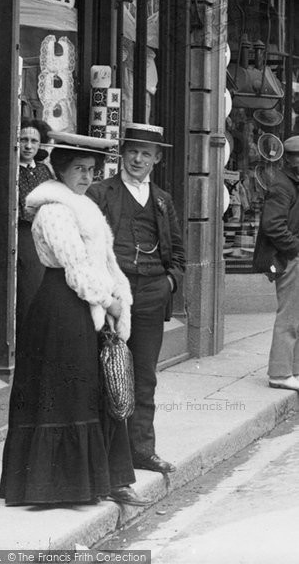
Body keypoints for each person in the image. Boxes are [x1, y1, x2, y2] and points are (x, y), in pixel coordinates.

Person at [0, 132, 149, 506]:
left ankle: (101, 480)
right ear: (60, 171)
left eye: (92, 170)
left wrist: (118, 297)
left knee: (94, 392)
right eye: (78, 169)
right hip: (61, 308)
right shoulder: (53, 210)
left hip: (85, 305)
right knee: (64, 394)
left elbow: (105, 261)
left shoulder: (84, 207)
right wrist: (108, 302)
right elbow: (76, 266)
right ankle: (54, 486)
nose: (86, 177)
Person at [87, 123, 185, 473]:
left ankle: (142, 450)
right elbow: (88, 245)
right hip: (113, 294)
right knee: (109, 372)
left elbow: (179, 251)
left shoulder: (161, 200)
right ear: (122, 154)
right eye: (132, 151)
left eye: (146, 153)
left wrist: (169, 283)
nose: (138, 158)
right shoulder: (101, 193)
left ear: (157, 158)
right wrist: (105, 291)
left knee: (144, 376)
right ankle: (107, 458)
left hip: (151, 293)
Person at [253, 135, 299, 392]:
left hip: (290, 255)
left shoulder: (289, 183)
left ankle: (292, 370)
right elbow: (273, 225)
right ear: (292, 160)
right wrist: (295, 249)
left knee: (296, 317)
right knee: (290, 317)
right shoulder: (283, 186)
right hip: (288, 257)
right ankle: (281, 373)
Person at [17, 118, 53, 329]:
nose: (28, 146)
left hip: (44, 237)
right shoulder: (12, 170)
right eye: (23, 140)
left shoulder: (43, 171)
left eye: (34, 141)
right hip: (23, 236)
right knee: (27, 292)